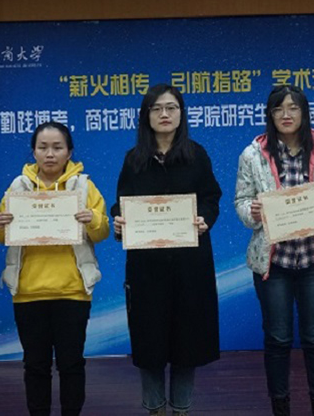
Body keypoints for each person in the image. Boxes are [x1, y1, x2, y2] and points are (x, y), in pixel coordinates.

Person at [233, 85, 314, 416]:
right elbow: (241, 202)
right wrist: (252, 212)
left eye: (293, 108)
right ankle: (280, 407)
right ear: (270, 115)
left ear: (304, 112)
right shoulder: (252, 154)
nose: (286, 115)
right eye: (279, 109)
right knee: (278, 338)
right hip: (274, 263)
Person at [111, 84, 222, 416]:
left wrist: (205, 219)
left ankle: (181, 409)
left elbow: (211, 197)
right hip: (147, 268)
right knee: (150, 344)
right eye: (156, 108)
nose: (164, 114)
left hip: (190, 265)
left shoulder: (196, 154)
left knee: (187, 343)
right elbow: (121, 203)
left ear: (181, 114)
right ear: (146, 115)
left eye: (171, 108)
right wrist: (119, 220)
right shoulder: (134, 159)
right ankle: (154, 408)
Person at [0, 121, 110, 416]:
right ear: (33, 151)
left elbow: (102, 232)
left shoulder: (84, 186)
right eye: (43, 147)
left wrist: (92, 219)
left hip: (73, 292)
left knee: (72, 364)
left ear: (69, 151)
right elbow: (3, 235)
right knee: (35, 366)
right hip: (28, 293)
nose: (50, 154)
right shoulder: (18, 187)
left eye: (57, 147)